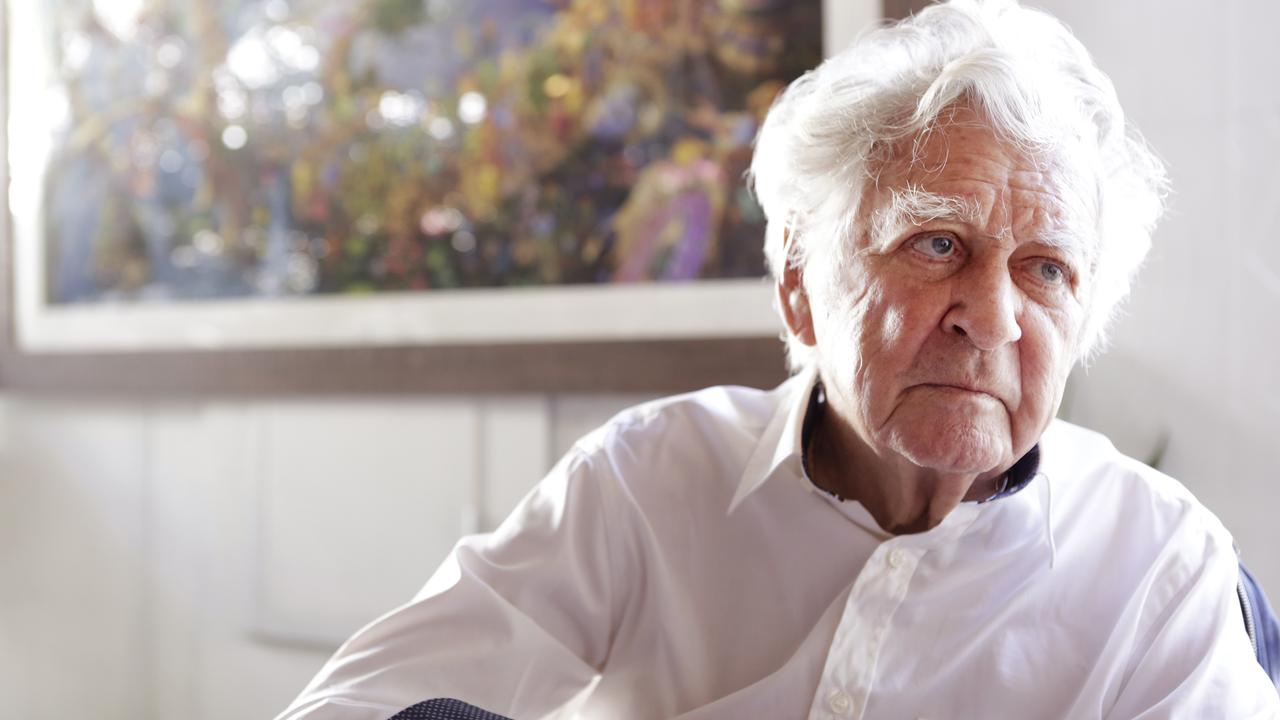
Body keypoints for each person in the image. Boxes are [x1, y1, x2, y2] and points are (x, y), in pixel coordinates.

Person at [278, 1, 1280, 717]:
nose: (991, 316)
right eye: (936, 244)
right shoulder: (647, 480)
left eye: (1046, 270)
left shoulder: (1156, 569)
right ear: (799, 280)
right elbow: (356, 708)